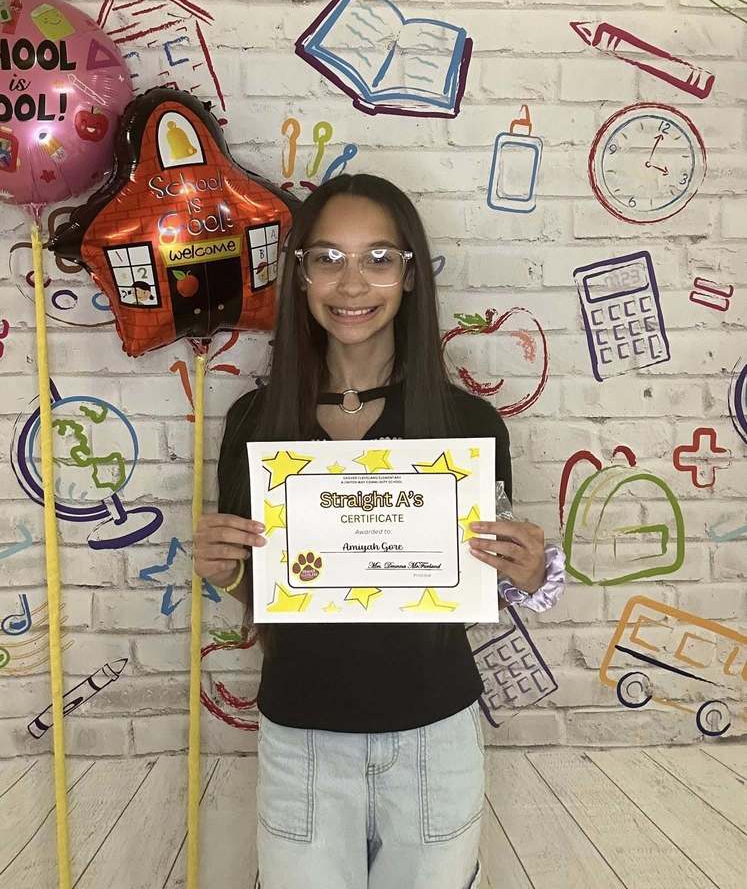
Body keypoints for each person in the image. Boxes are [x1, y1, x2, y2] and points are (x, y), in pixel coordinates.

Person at [194, 174, 553, 889]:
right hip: (300, 733)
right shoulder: (254, 424)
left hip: (434, 733)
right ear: (298, 277)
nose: (350, 282)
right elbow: (266, 598)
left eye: (377, 258)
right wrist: (224, 570)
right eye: (326, 257)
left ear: (410, 274)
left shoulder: (468, 426)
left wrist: (532, 572)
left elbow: (481, 585)